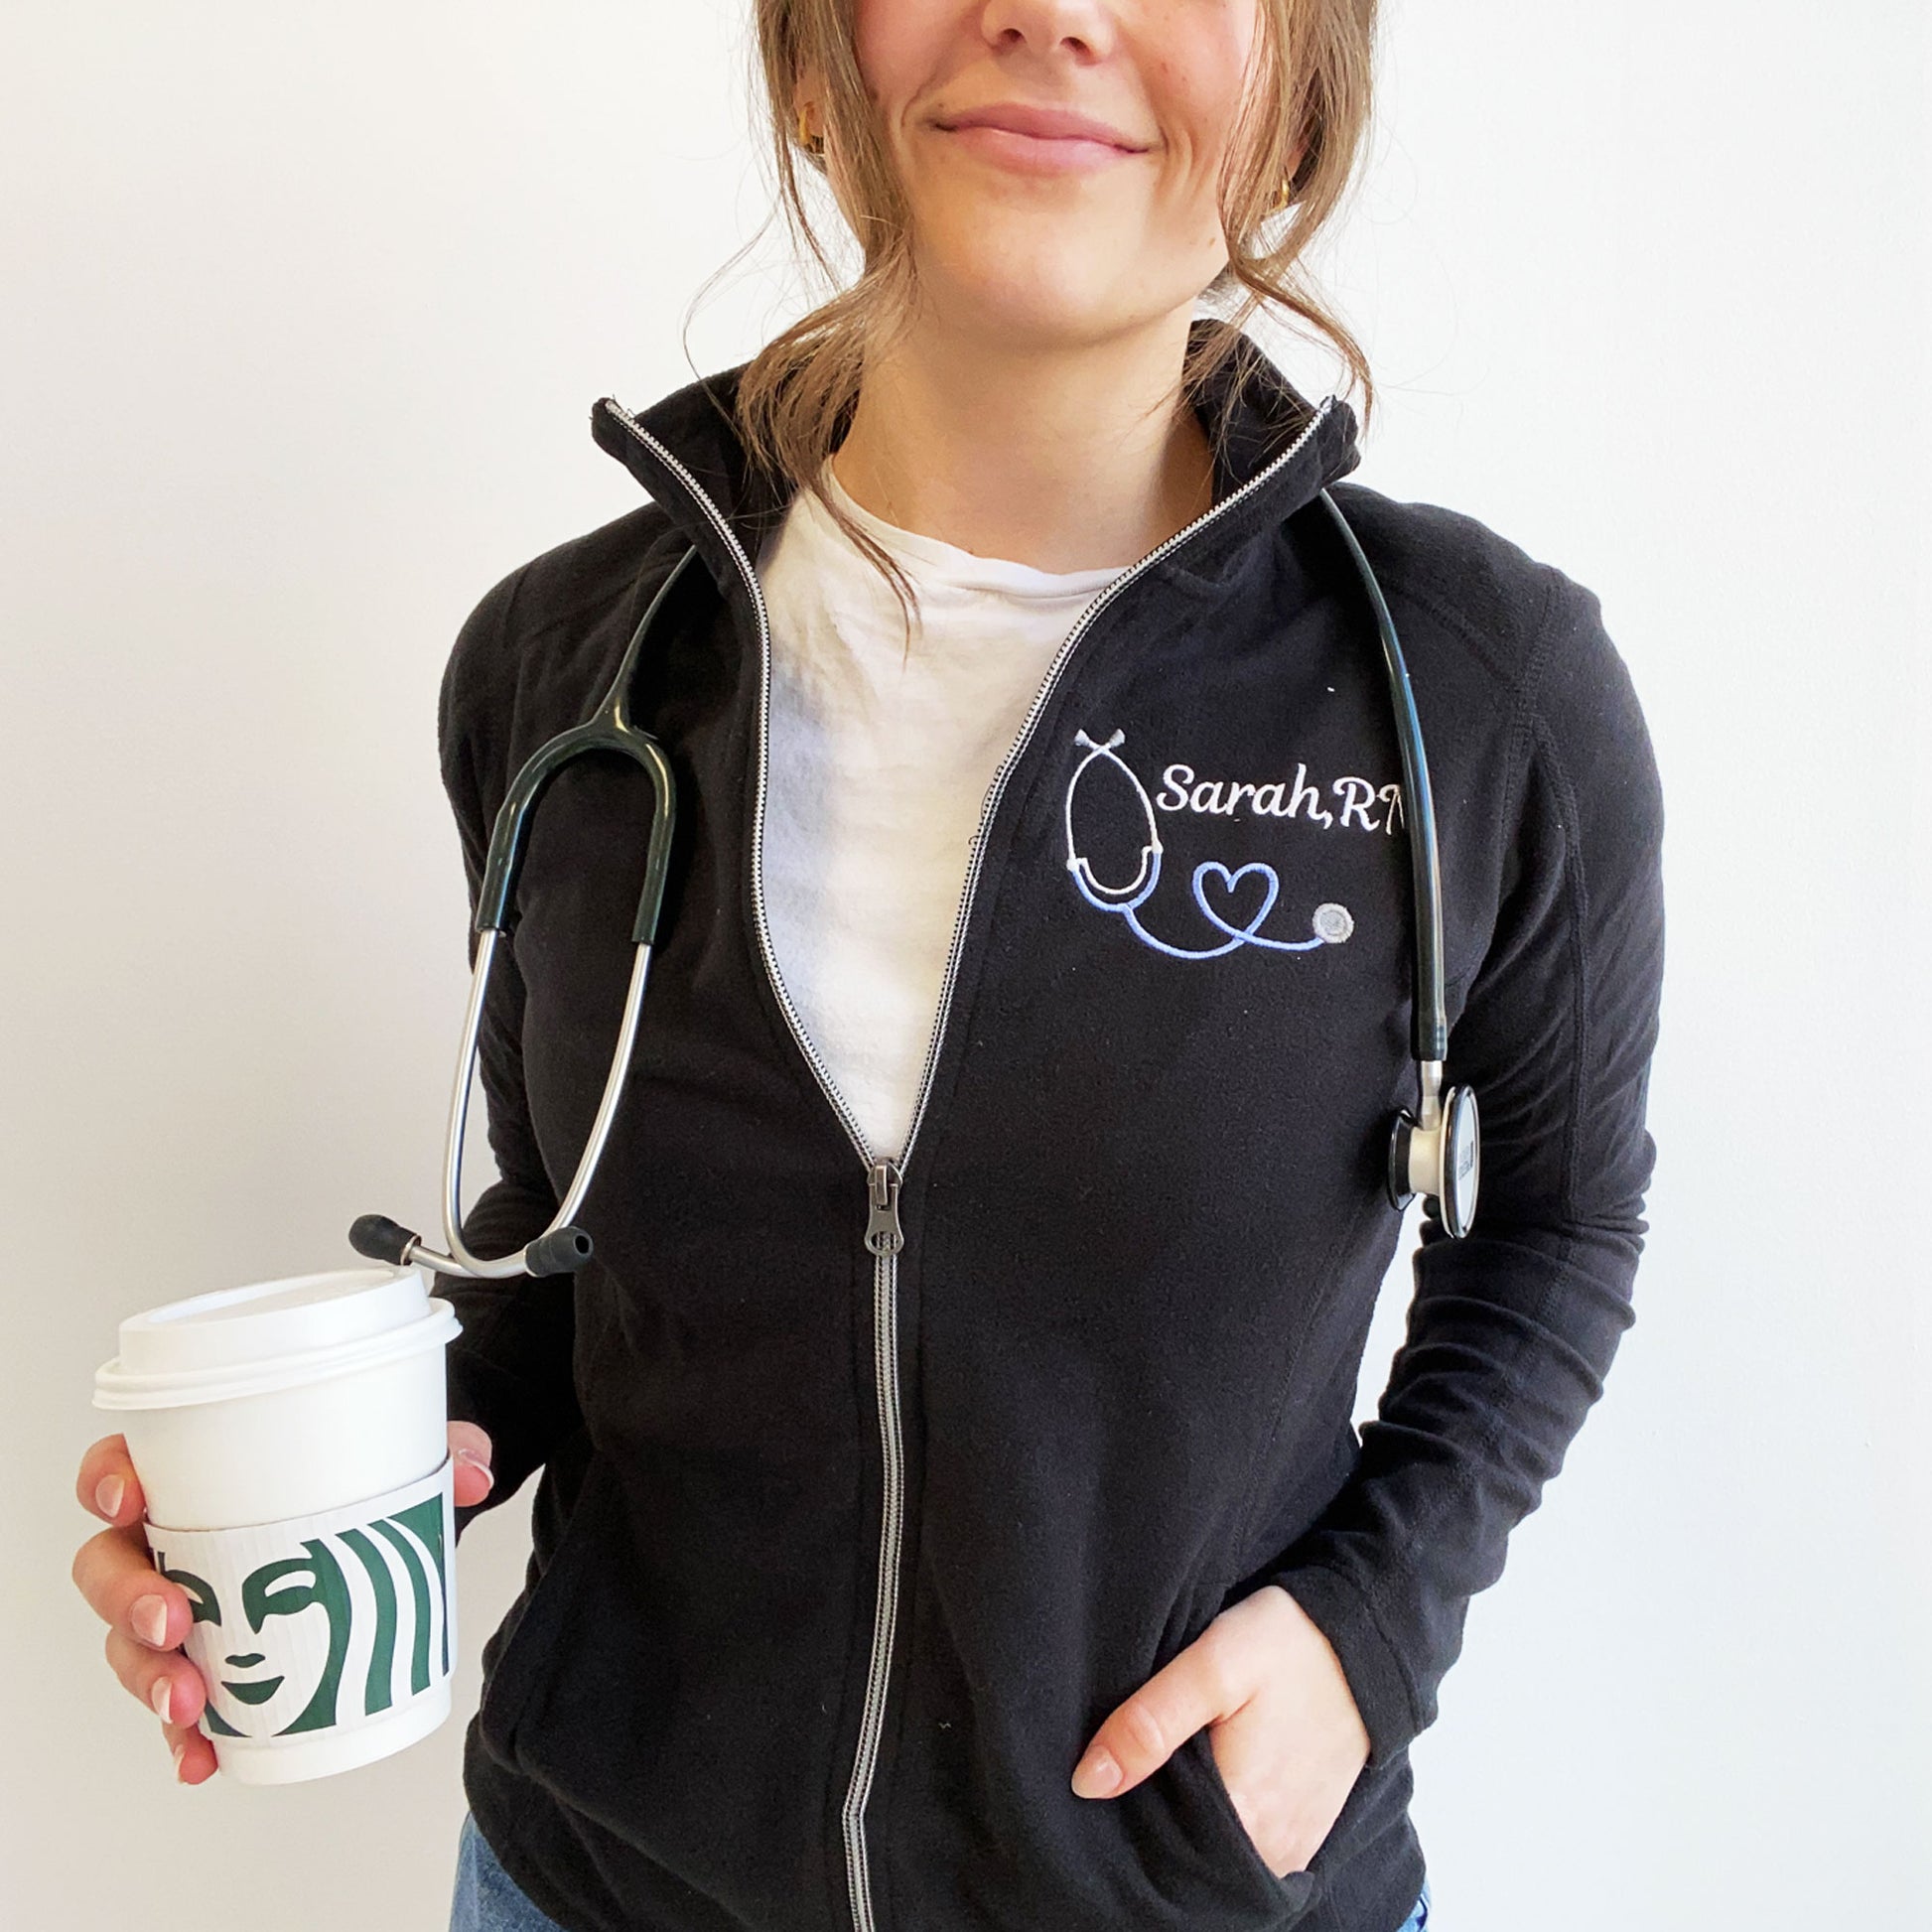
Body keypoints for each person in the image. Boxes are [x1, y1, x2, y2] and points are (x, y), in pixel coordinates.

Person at [70, 2, 1664, 1929]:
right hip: (593, 1883)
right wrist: (414, 1431)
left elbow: (1556, 1226)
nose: (1051, 13)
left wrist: (1368, 1626)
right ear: (814, 64)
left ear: (1298, 94)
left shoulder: (1477, 691)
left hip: (1187, 1898)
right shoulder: (563, 668)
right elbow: (578, 1244)